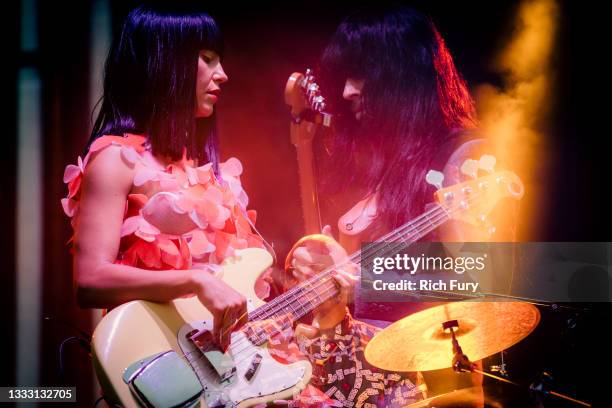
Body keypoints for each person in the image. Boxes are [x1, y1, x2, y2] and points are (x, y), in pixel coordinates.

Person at [282, 4, 508, 406]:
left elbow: (485, 279)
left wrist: (358, 280)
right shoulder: (381, 166)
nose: (349, 90)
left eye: (362, 72)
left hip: (428, 384)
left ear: (402, 72)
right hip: (357, 375)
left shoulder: (462, 156)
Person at [61, 3, 264, 351]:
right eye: (207, 57)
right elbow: (90, 279)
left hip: (229, 370)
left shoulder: (206, 173)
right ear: (165, 62)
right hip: (161, 366)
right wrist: (195, 280)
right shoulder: (117, 159)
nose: (223, 74)